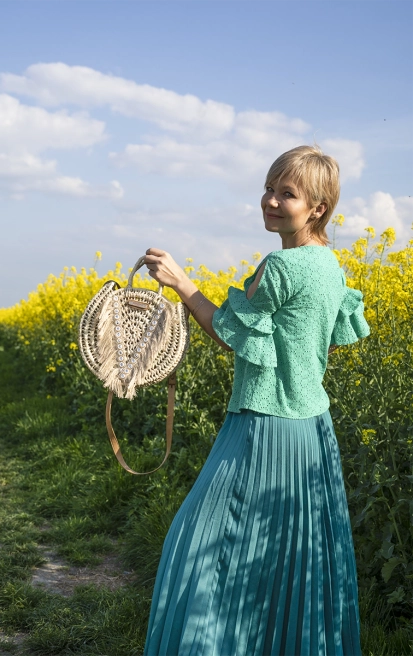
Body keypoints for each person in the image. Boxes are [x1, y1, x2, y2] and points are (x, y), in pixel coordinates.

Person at [142, 145, 370, 656]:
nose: (270, 200)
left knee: (199, 546)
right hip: (312, 434)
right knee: (293, 562)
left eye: (286, 193)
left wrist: (181, 282)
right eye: (269, 188)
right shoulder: (331, 267)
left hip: (261, 426)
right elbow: (316, 342)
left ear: (317, 208)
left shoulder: (282, 268)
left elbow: (229, 335)